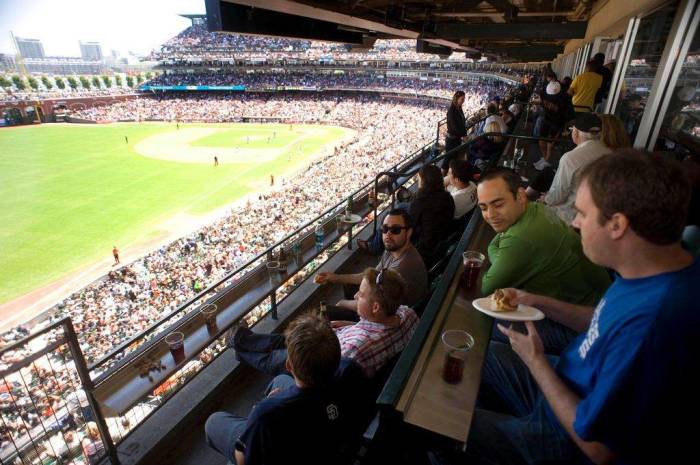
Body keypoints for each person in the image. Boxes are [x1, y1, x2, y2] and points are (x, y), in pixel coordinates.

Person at [444, 151, 699, 465]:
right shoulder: (647, 268)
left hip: (562, 438)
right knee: (484, 353)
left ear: (617, 225)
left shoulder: (652, 324)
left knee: (441, 426)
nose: (574, 223)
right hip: (563, 381)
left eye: (581, 213)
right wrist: (537, 301)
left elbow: (596, 447)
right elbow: (601, 320)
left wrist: (536, 362)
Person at [477, 167, 610, 354]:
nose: (490, 215)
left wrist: (498, 253)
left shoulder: (521, 239)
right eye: (483, 207)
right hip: (600, 304)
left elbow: (486, 287)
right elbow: (495, 244)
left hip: (587, 328)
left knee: (485, 328)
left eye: (498, 204)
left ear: (521, 196)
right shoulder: (536, 209)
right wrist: (500, 252)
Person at [209, 314, 372, 465]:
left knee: (214, 422)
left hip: (287, 442)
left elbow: (243, 460)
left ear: (288, 365)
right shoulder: (350, 369)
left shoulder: (265, 414)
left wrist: (257, 413)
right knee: (280, 380)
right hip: (333, 443)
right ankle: (240, 348)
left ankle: (239, 347)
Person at [232, 268, 418, 378]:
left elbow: (326, 370)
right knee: (283, 339)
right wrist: (347, 326)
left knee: (275, 358)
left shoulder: (355, 349)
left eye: (360, 295)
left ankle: (238, 346)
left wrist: (323, 336)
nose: (355, 296)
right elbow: (375, 330)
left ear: (376, 307)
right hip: (334, 339)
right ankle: (240, 339)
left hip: (315, 357)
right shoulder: (407, 314)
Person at [317, 209, 428, 308]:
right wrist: (334, 277)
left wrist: (343, 303)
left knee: (330, 311)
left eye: (395, 230)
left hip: (389, 315)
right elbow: (371, 275)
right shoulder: (394, 248)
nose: (388, 235)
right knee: (348, 284)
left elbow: (375, 308)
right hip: (382, 303)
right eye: (385, 229)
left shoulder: (402, 267)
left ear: (408, 233)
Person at [544, 113, 610, 224]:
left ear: (576, 132)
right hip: (596, 216)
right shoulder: (610, 154)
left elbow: (557, 196)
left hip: (568, 218)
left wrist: (546, 199)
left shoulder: (570, 158)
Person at [409, 164, 456, 267]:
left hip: (424, 249)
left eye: (419, 178)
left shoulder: (419, 202)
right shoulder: (448, 197)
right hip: (441, 241)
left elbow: (409, 225)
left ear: (423, 181)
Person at [533, 80, 572, 171]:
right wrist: (536, 104)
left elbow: (570, 115)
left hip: (558, 122)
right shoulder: (543, 93)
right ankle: (545, 158)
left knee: (550, 143)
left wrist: (566, 128)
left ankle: (547, 160)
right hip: (546, 119)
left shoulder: (565, 98)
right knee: (541, 140)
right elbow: (541, 101)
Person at [443, 91, 468, 172]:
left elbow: (462, 123)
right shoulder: (451, 111)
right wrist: (463, 136)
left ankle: (451, 175)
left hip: (457, 139)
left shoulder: (459, 109)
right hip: (451, 139)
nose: (463, 101)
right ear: (457, 99)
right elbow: (454, 127)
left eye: (464, 99)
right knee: (447, 160)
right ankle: (442, 178)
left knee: (454, 158)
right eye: (462, 99)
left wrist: (464, 134)